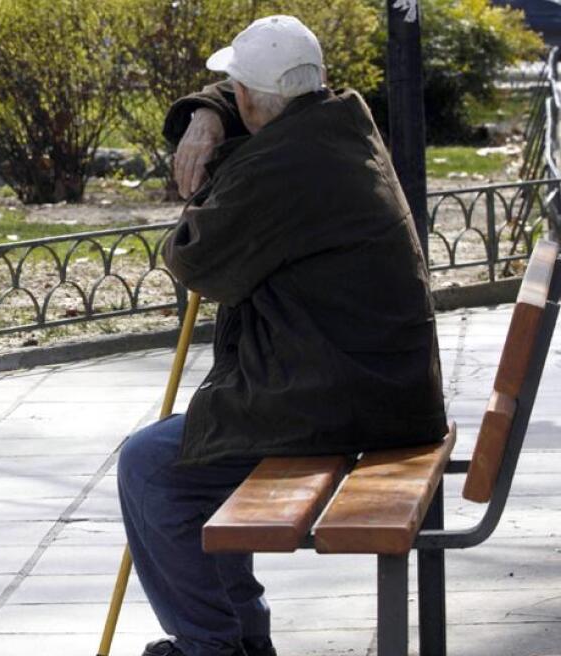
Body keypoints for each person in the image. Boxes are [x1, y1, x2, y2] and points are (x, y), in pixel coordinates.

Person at [116, 15, 447, 656]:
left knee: (153, 467)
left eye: (231, 92)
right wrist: (210, 112)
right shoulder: (337, 121)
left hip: (343, 397)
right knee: (188, 455)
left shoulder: (285, 166)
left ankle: (211, 644)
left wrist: (210, 153)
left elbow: (194, 258)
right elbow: (266, 104)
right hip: (374, 384)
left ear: (248, 100)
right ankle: (238, 637)